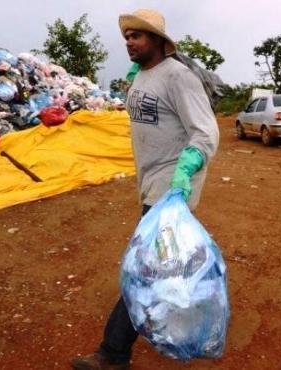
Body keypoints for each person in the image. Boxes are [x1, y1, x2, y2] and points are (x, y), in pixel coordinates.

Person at [70, 9, 219, 370]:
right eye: (127, 37)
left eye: (137, 36)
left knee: (143, 269)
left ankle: (113, 352)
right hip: (150, 181)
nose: (129, 42)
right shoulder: (141, 77)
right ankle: (178, 312)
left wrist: (185, 171)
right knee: (165, 264)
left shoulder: (178, 77)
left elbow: (206, 131)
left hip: (171, 187)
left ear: (156, 40)